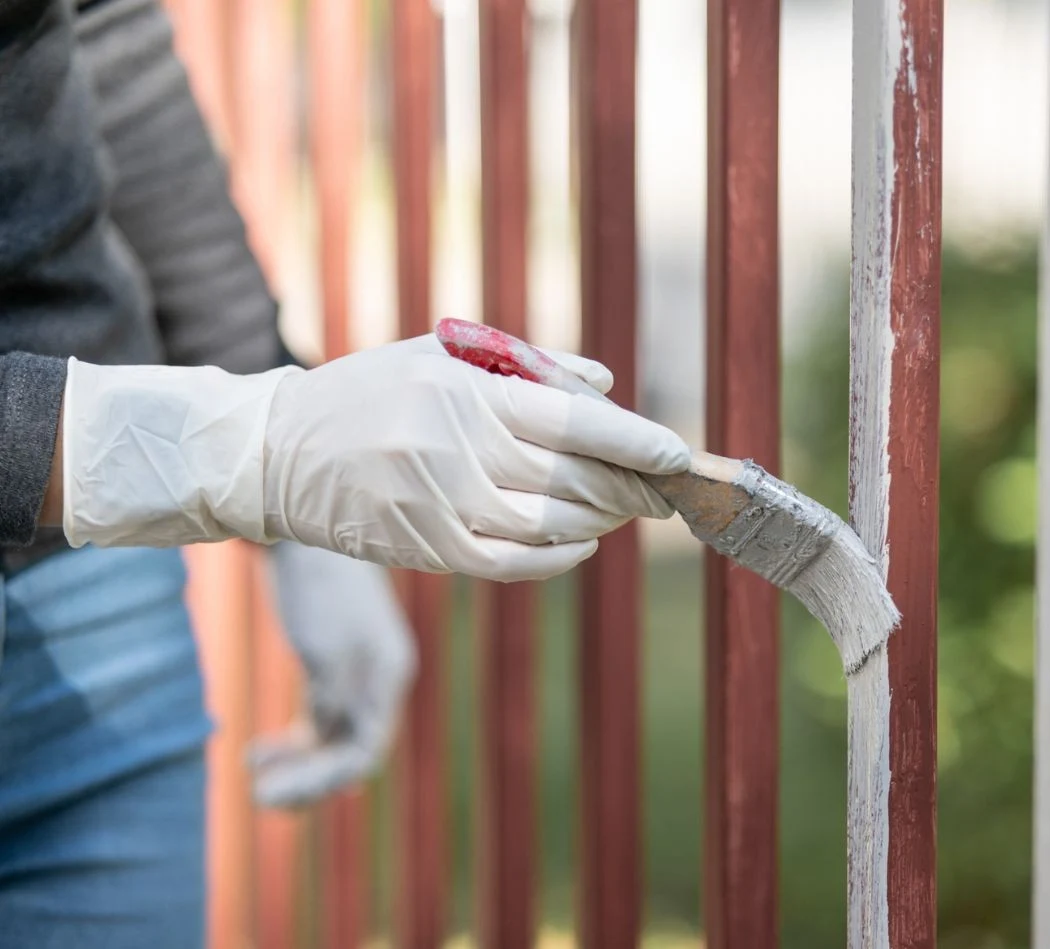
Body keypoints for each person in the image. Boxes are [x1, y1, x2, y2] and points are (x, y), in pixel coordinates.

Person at [0, 1, 689, 944]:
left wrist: (290, 504)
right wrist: (248, 450)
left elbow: (105, 32)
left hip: (89, 587)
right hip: (90, 488)